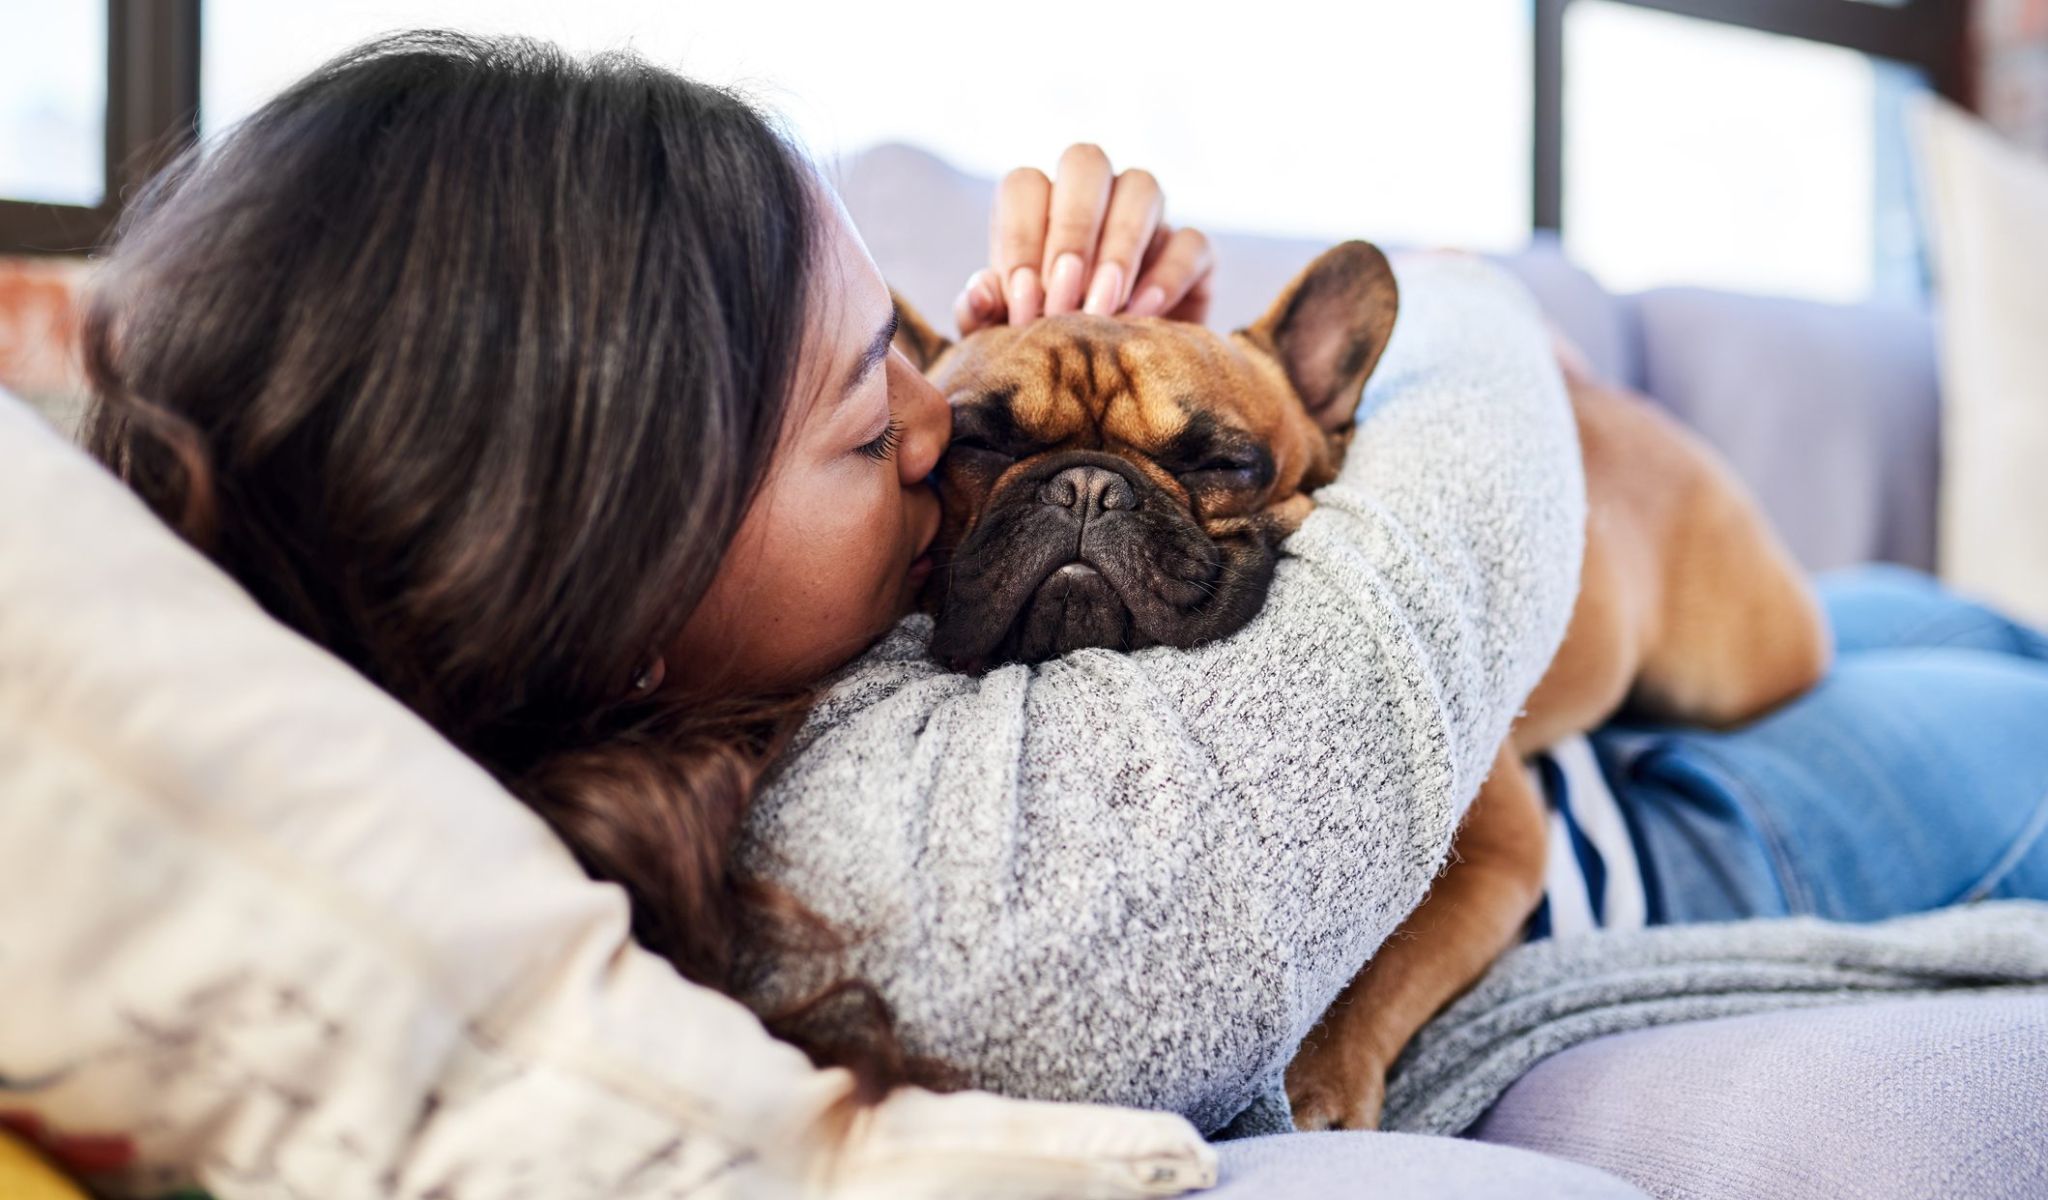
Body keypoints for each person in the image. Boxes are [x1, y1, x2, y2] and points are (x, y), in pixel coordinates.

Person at [80, 28, 2048, 1156]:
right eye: (889, 423)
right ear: (625, 572)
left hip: (1656, 685)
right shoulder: (987, 885)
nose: (946, 447)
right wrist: (1306, 380)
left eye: (922, 377)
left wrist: (1082, 388)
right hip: (1694, 819)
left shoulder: (654, 724)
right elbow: (1484, 372)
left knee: (1908, 615)